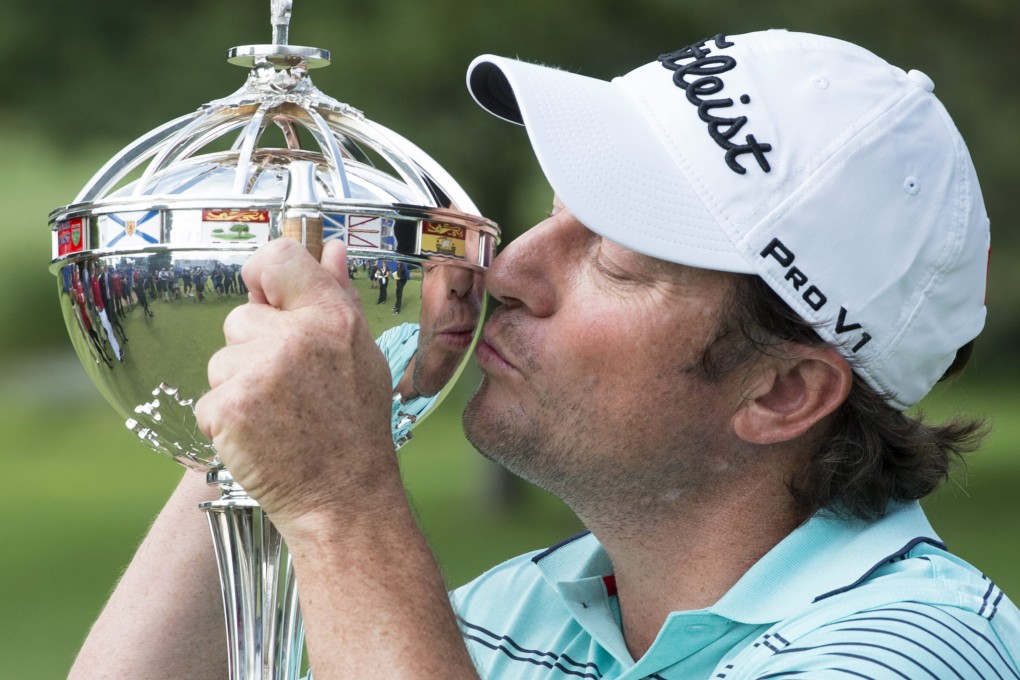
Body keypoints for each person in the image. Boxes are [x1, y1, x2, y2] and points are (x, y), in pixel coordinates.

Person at [69, 29, 1019, 679]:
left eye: (615, 258)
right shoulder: (525, 615)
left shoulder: (910, 652)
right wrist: (257, 426)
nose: (511, 267)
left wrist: (336, 501)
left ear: (781, 392)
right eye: (557, 210)